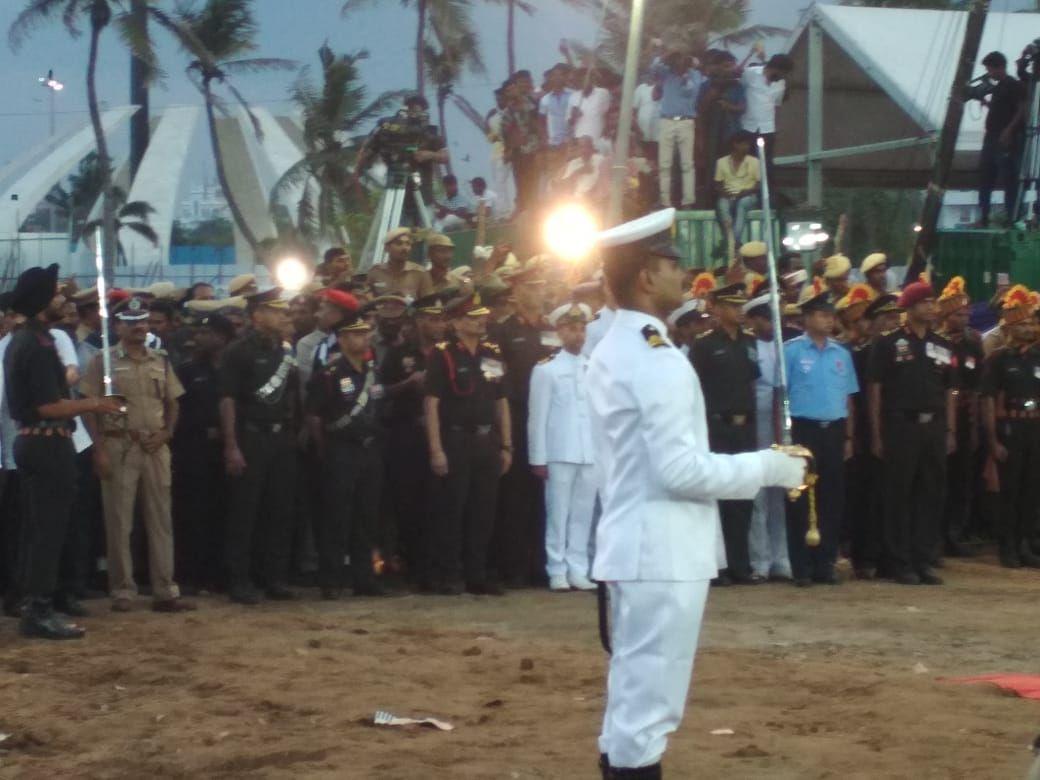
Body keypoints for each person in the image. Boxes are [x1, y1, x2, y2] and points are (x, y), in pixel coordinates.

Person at [587, 208, 807, 779]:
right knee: (648, 708)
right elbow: (680, 471)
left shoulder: (622, 345)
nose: (683, 274)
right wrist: (770, 466)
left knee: (631, 701)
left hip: (642, 543)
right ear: (644, 275)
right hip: (661, 546)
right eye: (671, 262)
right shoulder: (651, 357)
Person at [4, 265, 124, 639]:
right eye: (57, 294)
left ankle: (32, 604)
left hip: (35, 442)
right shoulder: (37, 345)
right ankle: (39, 610)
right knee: (47, 531)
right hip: (46, 441)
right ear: (42, 302)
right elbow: (47, 406)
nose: (64, 299)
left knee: (38, 529)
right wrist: (96, 406)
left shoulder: (28, 339)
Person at [82, 298, 194, 614]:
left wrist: (167, 433)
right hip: (119, 445)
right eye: (131, 322)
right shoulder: (102, 362)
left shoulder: (161, 360)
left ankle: (165, 589)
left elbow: (174, 402)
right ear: (118, 326)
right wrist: (98, 449)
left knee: (161, 520)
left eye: (143, 321)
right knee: (119, 521)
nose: (139, 327)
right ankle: (122, 590)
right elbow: (90, 408)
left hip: (155, 445)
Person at [867, 280, 957, 586]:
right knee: (899, 494)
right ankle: (899, 560)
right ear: (909, 306)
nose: (931, 307)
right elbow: (875, 389)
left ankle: (922, 558)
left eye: (933, 302)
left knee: (930, 493)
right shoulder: (889, 342)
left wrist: (950, 429)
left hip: (933, 425)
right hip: (901, 425)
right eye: (925, 302)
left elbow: (949, 390)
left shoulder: (942, 344)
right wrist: (878, 433)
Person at [424, 292, 511, 595]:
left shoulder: (492, 353)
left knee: (483, 509)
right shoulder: (443, 354)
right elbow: (432, 404)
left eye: (482, 316)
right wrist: (436, 449)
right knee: (453, 508)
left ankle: (477, 573)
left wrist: (507, 445)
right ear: (457, 323)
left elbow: (501, 401)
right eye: (473, 318)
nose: (480, 322)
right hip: (456, 437)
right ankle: (449, 572)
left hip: (487, 439)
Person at [219, 288, 298, 605]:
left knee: (279, 510)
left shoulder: (285, 351)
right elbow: (227, 399)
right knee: (245, 511)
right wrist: (231, 445)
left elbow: (292, 394)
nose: (283, 317)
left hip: (281, 437)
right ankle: (239, 579)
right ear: (258, 316)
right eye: (276, 311)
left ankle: (274, 577)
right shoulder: (238, 351)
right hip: (250, 436)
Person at [306, 295, 387, 598]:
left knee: (366, 515)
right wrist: (324, 449)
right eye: (355, 334)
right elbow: (314, 416)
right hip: (340, 449)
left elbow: (378, 404)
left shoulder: (371, 371)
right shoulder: (330, 374)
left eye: (365, 333)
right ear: (341, 338)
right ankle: (331, 579)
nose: (363, 338)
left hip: (369, 450)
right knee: (337, 516)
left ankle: (363, 577)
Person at [783, 292, 858, 586]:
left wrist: (849, 435)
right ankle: (800, 566)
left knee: (831, 498)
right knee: (799, 497)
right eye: (823, 315)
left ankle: (825, 563)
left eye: (831, 315)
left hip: (834, 429)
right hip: (804, 429)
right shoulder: (792, 351)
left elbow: (848, 398)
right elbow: (782, 396)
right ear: (808, 318)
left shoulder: (841, 354)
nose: (829, 321)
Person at [690, 282, 760, 585]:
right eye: (732, 305)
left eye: (740, 305)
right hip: (717, 425)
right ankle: (716, 566)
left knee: (743, 494)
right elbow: (694, 391)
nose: (739, 310)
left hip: (745, 426)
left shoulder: (749, 342)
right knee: (717, 497)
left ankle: (740, 564)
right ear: (717, 309)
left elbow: (752, 383)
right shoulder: (704, 346)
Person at [528, 302, 596, 593]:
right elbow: (537, 417)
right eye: (571, 329)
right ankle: (556, 569)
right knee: (558, 513)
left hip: (589, 451)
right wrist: (538, 458)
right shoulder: (546, 370)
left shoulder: (593, 367)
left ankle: (578, 568)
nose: (578, 335)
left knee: (583, 514)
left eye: (581, 329)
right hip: (559, 450)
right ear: (559, 332)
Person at [381, 292, 447, 586]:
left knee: (438, 502)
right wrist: (408, 383)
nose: (438, 325)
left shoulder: (447, 353)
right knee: (406, 501)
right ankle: (406, 565)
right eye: (432, 319)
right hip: (406, 432)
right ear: (419, 321)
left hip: (441, 433)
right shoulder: (399, 353)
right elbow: (379, 391)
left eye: (441, 319)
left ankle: (434, 567)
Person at [496, 262, 553, 588]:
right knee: (515, 495)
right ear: (516, 292)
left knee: (543, 495)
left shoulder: (550, 329)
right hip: (516, 418)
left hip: (547, 421)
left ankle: (540, 563)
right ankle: (513, 566)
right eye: (532, 286)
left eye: (542, 285)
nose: (539, 291)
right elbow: (493, 379)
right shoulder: (503, 332)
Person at [172, 313, 235, 592]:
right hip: (194, 451)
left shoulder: (234, 368)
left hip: (228, 450)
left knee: (225, 513)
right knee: (193, 513)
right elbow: (175, 411)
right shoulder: (187, 370)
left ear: (222, 338)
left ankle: (219, 573)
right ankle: (190, 575)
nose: (198, 338)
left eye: (205, 333)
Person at [981, 285, 1040, 568]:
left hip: (1035, 431)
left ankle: (1025, 544)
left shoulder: (1038, 357)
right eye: (1024, 322)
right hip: (1010, 430)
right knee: (1010, 491)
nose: (1029, 328)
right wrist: (993, 441)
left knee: (1031, 490)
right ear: (1011, 325)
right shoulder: (999, 359)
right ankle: (1007, 547)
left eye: (1032, 322)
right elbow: (990, 401)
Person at [847, 293, 901, 580]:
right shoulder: (859, 354)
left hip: (897, 429)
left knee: (891, 495)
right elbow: (854, 398)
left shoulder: (900, 350)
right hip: (866, 432)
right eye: (886, 318)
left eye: (896, 317)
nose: (893, 322)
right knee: (866, 495)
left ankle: (888, 554)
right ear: (870, 324)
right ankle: (864, 555)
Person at [743, 290, 791, 583]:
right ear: (753, 321)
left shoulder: (783, 348)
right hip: (755, 422)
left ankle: (781, 557)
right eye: (764, 319)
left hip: (778, 423)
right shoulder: (748, 347)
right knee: (757, 493)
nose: (770, 324)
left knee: (779, 494)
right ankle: (759, 560)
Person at [935, 277, 983, 558]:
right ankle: (936, 536)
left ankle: (955, 533)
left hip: (965, 417)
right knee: (938, 479)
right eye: (957, 314)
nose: (963, 318)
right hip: (941, 418)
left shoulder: (973, 344)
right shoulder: (937, 343)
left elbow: (977, 386)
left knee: (962, 479)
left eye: (966, 314)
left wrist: (975, 424)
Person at [970, 51, 1026, 226]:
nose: (989, 73)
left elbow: (1021, 109)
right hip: (992, 136)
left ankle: (1011, 217)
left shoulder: (1013, 85)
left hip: (1005, 137)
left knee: (1009, 178)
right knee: (986, 176)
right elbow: (1000, 109)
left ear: (999, 67)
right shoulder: (999, 86)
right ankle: (984, 216)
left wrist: (1009, 131)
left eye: (990, 69)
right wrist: (985, 103)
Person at [650, 42, 705, 209]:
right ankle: (665, 201)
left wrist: (685, 70)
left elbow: (690, 90)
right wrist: (668, 55)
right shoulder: (666, 73)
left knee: (687, 164)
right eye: (677, 60)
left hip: (686, 121)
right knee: (664, 164)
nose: (679, 63)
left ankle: (688, 200)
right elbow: (653, 67)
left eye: (682, 60)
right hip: (666, 120)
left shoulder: (695, 75)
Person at [740, 54, 793, 187]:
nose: (783, 76)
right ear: (775, 68)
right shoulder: (751, 73)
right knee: (747, 162)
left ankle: (767, 198)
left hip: (768, 129)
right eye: (783, 73)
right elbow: (739, 88)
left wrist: (777, 127)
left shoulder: (781, 83)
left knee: (766, 165)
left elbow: (777, 105)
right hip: (748, 127)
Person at [502, 73, 543, 216]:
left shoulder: (532, 102)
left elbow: (539, 125)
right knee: (523, 187)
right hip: (519, 156)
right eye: (507, 91)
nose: (510, 93)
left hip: (535, 151)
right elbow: (506, 135)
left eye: (511, 89)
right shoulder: (507, 113)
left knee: (537, 186)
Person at [714, 130, 760, 247]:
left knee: (742, 204)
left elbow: (759, 185)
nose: (747, 147)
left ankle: (734, 241)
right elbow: (718, 185)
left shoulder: (755, 162)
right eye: (744, 144)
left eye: (748, 144)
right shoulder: (721, 162)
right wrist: (725, 193)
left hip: (748, 195)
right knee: (722, 205)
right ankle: (729, 237)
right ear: (736, 144)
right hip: (729, 194)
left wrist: (745, 192)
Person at [368, 228, 434, 302]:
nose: (404, 248)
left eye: (408, 244)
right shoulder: (375, 272)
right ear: (386, 248)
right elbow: (367, 300)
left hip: (409, 313)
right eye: (399, 243)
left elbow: (429, 304)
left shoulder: (420, 273)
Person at [539, 65, 573, 179]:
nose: (557, 78)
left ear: (565, 77)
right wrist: (545, 141)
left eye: (560, 75)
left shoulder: (572, 95)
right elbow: (542, 122)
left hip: (570, 143)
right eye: (554, 75)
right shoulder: (545, 100)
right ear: (551, 78)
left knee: (569, 175)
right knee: (554, 177)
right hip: (553, 144)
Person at [555, 136, 606, 201]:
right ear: (578, 149)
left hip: (596, 201)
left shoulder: (601, 160)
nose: (584, 150)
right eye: (581, 147)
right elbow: (563, 186)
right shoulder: (573, 163)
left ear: (592, 148)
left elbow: (605, 182)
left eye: (587, 147)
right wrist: (579, 172)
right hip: (575, 203)